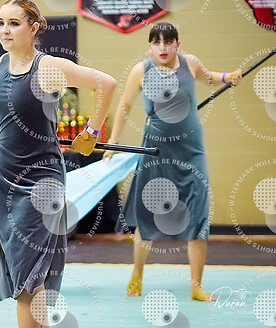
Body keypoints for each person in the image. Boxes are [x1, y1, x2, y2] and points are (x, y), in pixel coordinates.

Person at [0, 0, 117, 327]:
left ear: (34, 28)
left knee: (27, 279)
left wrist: (91, 131)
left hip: (41, 183)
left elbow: (106, 84)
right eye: (0, 23)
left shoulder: (49, 67)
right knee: (28, 278)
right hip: (4, 179)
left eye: (14, 23)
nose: (5, 30)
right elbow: (4, 108)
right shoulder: (3, 63)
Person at [103, 22, 242, 302]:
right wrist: (112, 143)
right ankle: (137, 275)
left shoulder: (190, 64)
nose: (163, 47)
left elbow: (210, 77)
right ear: (150, 46)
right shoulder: (141, 70)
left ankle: (197, 286)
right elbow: (124, 106)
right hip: (156, 153)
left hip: (192, 152)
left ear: (178, 44)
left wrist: (228, 76)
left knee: (199, 217)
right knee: (147, 217)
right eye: (157, 42)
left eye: (168, 42)